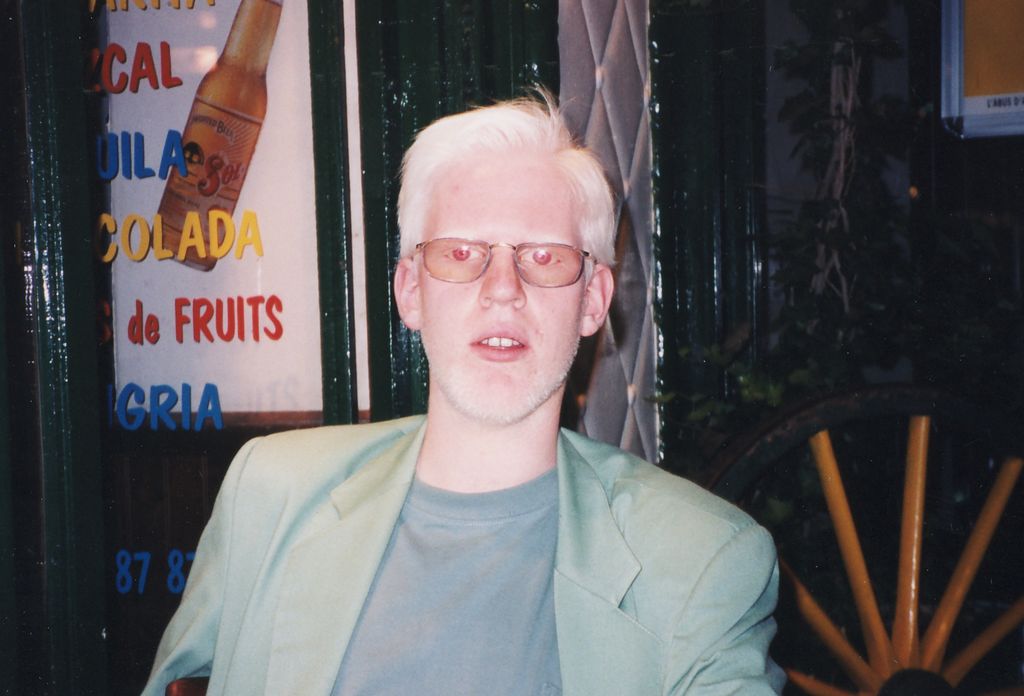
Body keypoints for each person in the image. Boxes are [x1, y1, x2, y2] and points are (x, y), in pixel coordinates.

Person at [143, 92, 784, 695]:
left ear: (593, 300)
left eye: (543, 257)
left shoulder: (702, 561)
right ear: (410, 292)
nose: (502, 289)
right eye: (459, 253)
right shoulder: (271, 492)